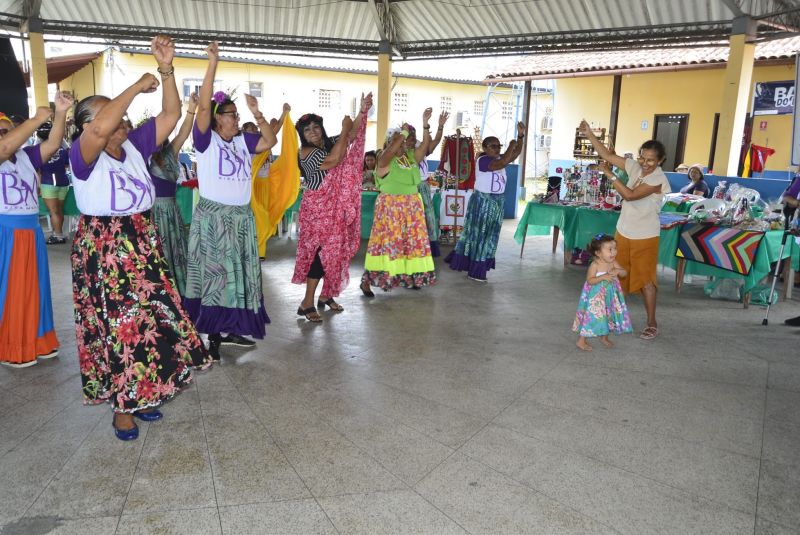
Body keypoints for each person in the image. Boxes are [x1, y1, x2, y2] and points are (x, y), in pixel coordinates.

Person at [69, 36, 211, 440]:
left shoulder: (133, 146)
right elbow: (101, 125)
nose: (122, 123)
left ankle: (144, 392)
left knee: (152, 319)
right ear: (85, 127)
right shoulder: (85, 154)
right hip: (105, 248)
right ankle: (123, 408)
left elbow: (170, 113)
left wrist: (166, 69)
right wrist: (132, 88)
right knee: (119, 327)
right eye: (114, 117)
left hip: (141, 240)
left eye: (124, 118)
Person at [185, 41, 277, 358]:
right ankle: (212, 334)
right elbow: (205, 108)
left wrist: (257, 113)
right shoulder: (205, 140)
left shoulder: (241, 141)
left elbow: (270, 140)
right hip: (214, 219)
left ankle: (232, 328)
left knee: (237, 275)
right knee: (215, 276)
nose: (236, 119)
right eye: (231, 115)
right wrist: (213, 64)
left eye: (237, 115)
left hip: (240, 218)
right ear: (216, 119)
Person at [582, 119, 671, 340]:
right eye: (642, 157)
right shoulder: (634, 166)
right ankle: (608, 317)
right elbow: (608, 155)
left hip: (645, 236)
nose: (645, 162)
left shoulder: (658, 179)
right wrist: (590, 134)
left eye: (651, 160)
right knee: (612, 273)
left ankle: (652, 322)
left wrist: (610, 175)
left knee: (646, 281)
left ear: (661, 161)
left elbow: (630, 196)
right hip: (624, 231)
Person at [0, 97, 70, 368]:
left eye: (8, 129)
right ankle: (12, 346)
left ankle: (39, 340)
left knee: (36, 290)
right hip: (6, 231)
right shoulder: (5, 151)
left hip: (30, 229)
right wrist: (37, 119)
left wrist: (61, 113)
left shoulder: (26, 156)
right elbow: (5, 147)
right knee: (12, 290)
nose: (6, 135)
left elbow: (52, 145)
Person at [291, 93, 372, 322]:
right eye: (307, 130)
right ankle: (307, 301)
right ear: (302, 135)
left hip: (335, 208)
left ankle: (325, 296)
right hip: (317, 211)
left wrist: (362, 110)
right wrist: (345, 130)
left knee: (335, 252)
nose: (313, 132)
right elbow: (335, 160)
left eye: (316, 127)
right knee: (319, 254)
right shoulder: (306, 152)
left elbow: (353, 134)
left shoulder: (330, 144)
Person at [360, 110, 437, 293]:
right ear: (390, 142)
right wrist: (401, 135)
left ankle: (410, 278)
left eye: (406, 140)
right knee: (386, 244)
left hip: (412, 207)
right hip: (391, 208)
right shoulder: (383, 158)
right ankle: (368, 280)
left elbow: (425, 146)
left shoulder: (409, 158)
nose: (404, 143)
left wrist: (425, 123)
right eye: (399, 140)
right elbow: (391, 150)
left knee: (411, 244)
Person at [445, 122, 526, 282]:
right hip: (483, 204)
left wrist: (520, 137)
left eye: (498, 145)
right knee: (480, 236)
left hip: (496, 203)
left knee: (490, 237)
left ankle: (470, 263)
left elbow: (515, 154)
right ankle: (475, 271)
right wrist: (510, 145)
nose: (497, 148)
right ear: (485, 148)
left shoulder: (497, 157)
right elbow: (503, 162)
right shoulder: (483, 160)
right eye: (493, 146)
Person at [147, 92, 197, 295]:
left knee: (175, 251)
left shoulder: (170, 152)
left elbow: (184, 132)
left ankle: (177, 291)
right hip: (152, 211)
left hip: (171, 210)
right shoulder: (141, 156)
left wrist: (191, 110)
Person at [248, 102, 299, 259]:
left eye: (253, 131)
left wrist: (284, 113)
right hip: (252, 189)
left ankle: (260, 251)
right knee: (259, 218)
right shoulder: (246, 148)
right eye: (248, 132)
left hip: (266, 186)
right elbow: (275, 130)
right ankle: (252, 249)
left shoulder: (263, 145)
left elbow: (274, 131)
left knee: (266, 217)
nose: (251, 134)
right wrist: (284, 113)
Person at [573, 234, 633, 351]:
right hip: (595, 298)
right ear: (598, 253)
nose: (613, 252)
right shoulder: (595, 265)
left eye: (615, 248)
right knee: (591, 317)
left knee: (608, 314)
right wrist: (603, 277)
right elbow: (590, 281)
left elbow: (624, 273)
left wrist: (619, 271)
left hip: (610, 295)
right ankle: (581, 340)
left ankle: (604, 337)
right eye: (609, 249)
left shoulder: (613, 262)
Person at [413, 111, 449, 256]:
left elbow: (435, 142)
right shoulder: (403, 150)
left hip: (423, 186)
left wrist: (440, 126)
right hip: (411, 187)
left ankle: (429, 246)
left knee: (428, 215)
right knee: (414, 217)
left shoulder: (421, 146)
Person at [36, 122, 71, 244]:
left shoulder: (38, 149)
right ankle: (59, 233)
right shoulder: (61, 148)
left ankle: (58, 235)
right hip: (63, 181)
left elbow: (37, 169)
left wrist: (38, 186)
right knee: (59, 210)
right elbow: (67, 164)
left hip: (48, 182)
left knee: (54, 211)